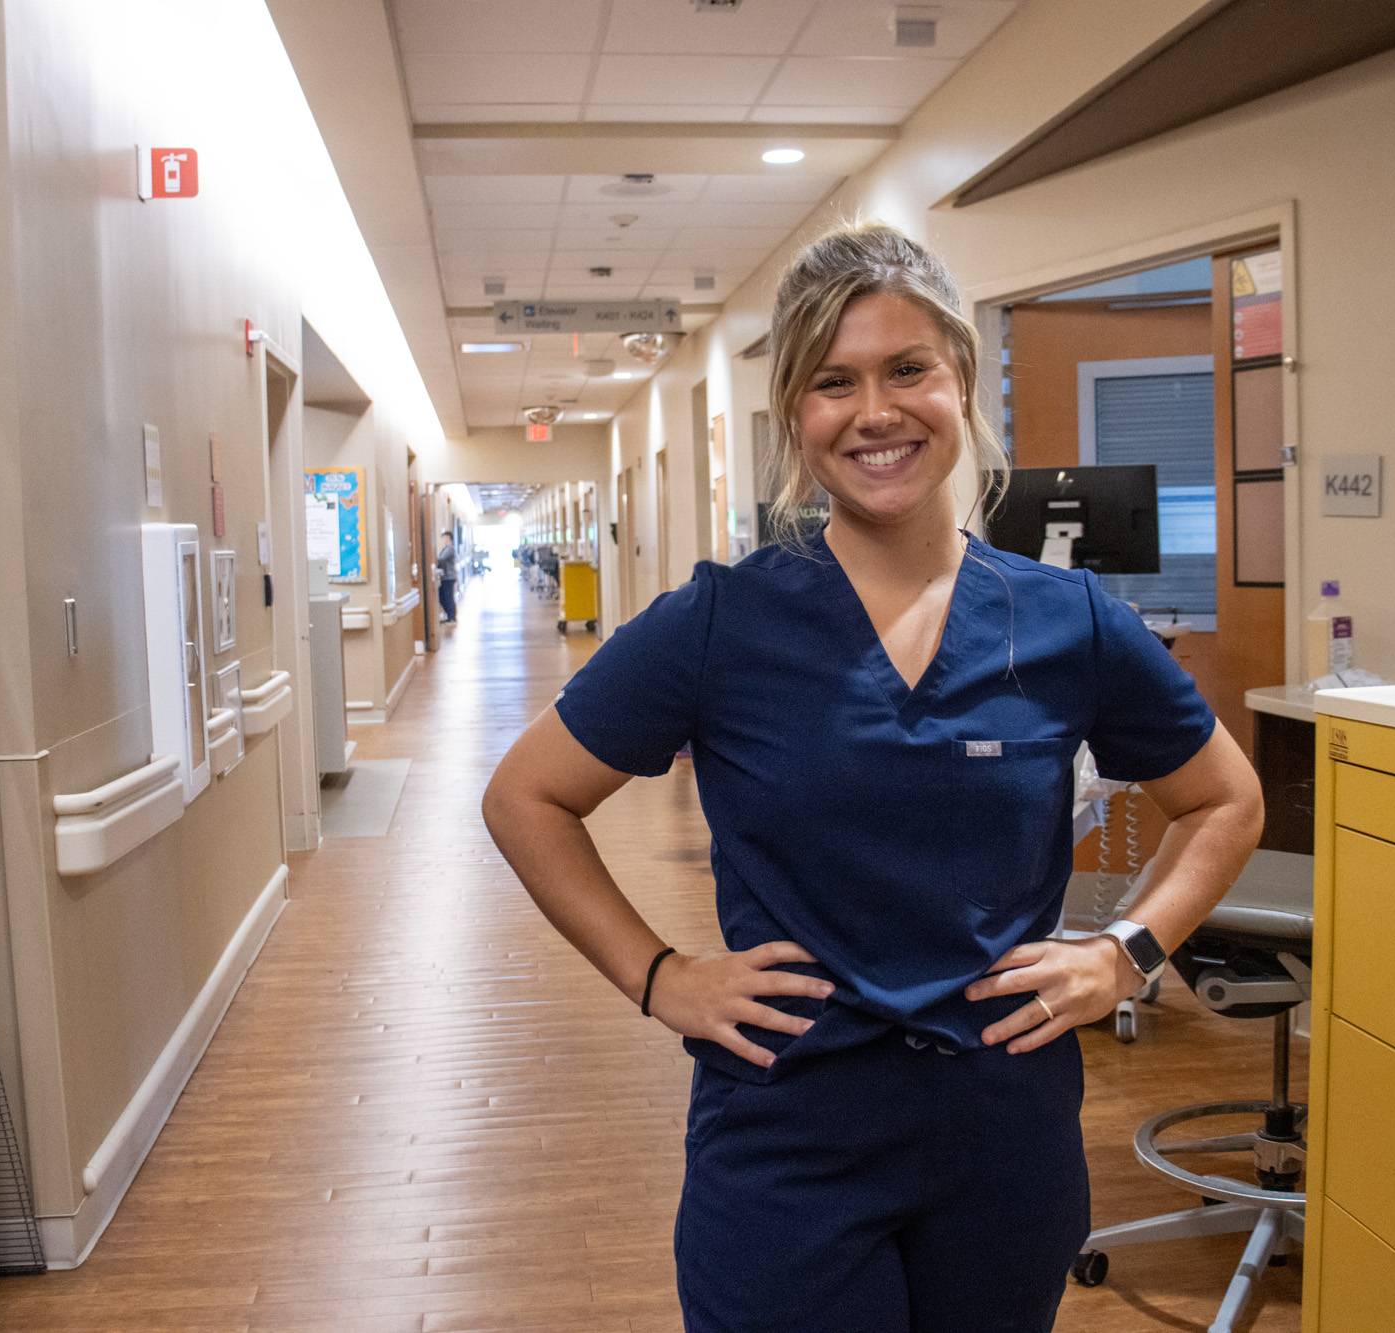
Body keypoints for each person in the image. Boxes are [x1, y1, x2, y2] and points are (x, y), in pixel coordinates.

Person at [481, 222, 1263, 1331]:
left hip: (1003, 1126)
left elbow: (1225, 801)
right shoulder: (720, 622)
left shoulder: (1064, 620)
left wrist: (1125, 953)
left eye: (907, 369)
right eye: (831, 382)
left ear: (960, 380)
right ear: (797, 420)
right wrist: (658, 977)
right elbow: (525, 797)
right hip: (787, 1129)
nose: (875, 410)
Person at [435, 533, 459, 624]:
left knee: (448, 597)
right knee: (443, 597)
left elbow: (441, 559)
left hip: (449, 577)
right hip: (445, 577)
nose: (443, 540)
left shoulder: (450, 549)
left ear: (449, 538)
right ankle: (450, 616)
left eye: (444, 538)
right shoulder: (446, 548)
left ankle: (452, 618)